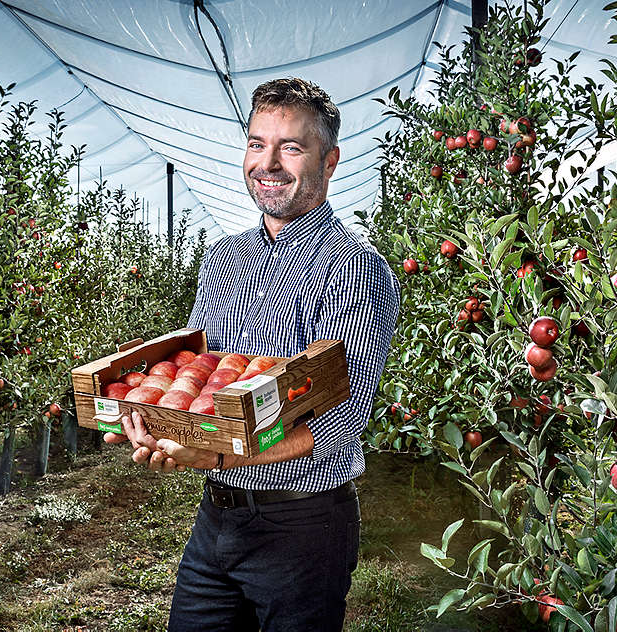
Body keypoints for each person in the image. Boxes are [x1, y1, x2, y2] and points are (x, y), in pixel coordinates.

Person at [105, 77, 400, 631]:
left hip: (302, 525)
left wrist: (213, 455)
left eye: (291, 147)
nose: (268, 162)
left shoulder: (352, 264)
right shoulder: (224, 258)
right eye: (256, 143)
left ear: (329, 161)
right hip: (217, 519)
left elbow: (340, 422)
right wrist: (159, 416)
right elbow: (196, 372)